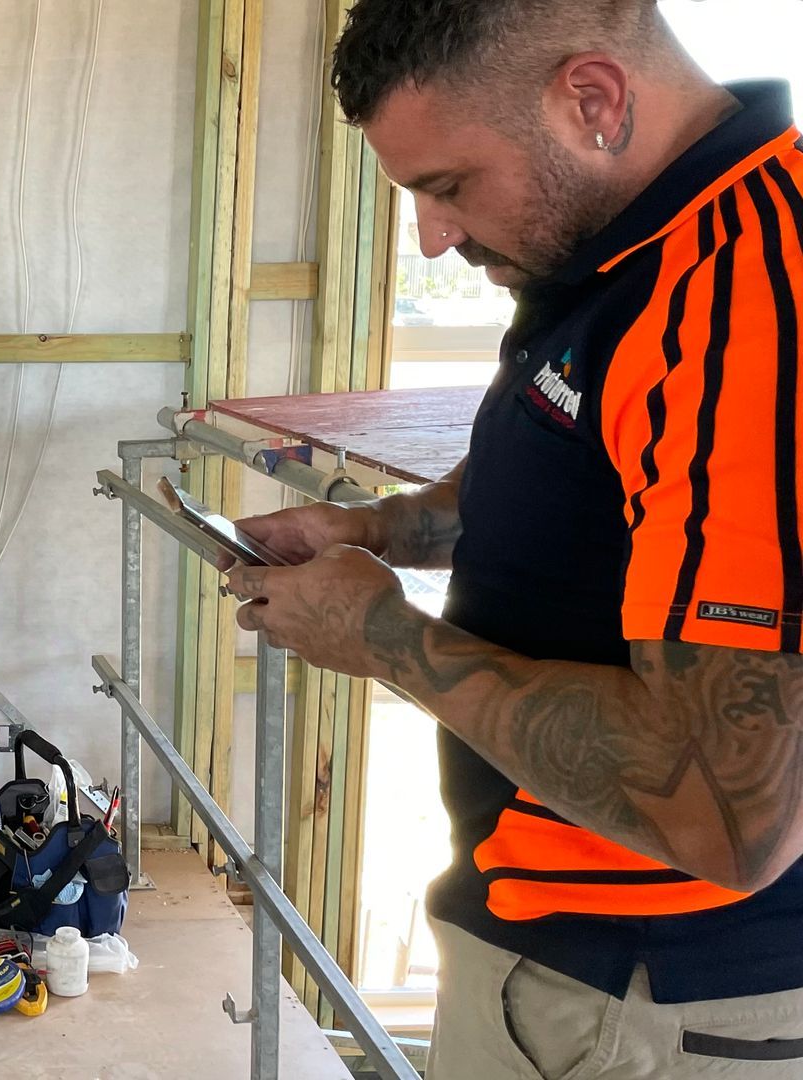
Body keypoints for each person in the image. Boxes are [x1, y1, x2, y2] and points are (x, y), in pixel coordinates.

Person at [224, 2, 803, 1076]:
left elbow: (731, 812)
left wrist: (388, 639)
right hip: (567, 959)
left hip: (658, 997)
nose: (435, 235)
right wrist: (376, 528)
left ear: (593, 100)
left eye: (446, 187)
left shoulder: (743, 303)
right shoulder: (627, 250)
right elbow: (558, 479)